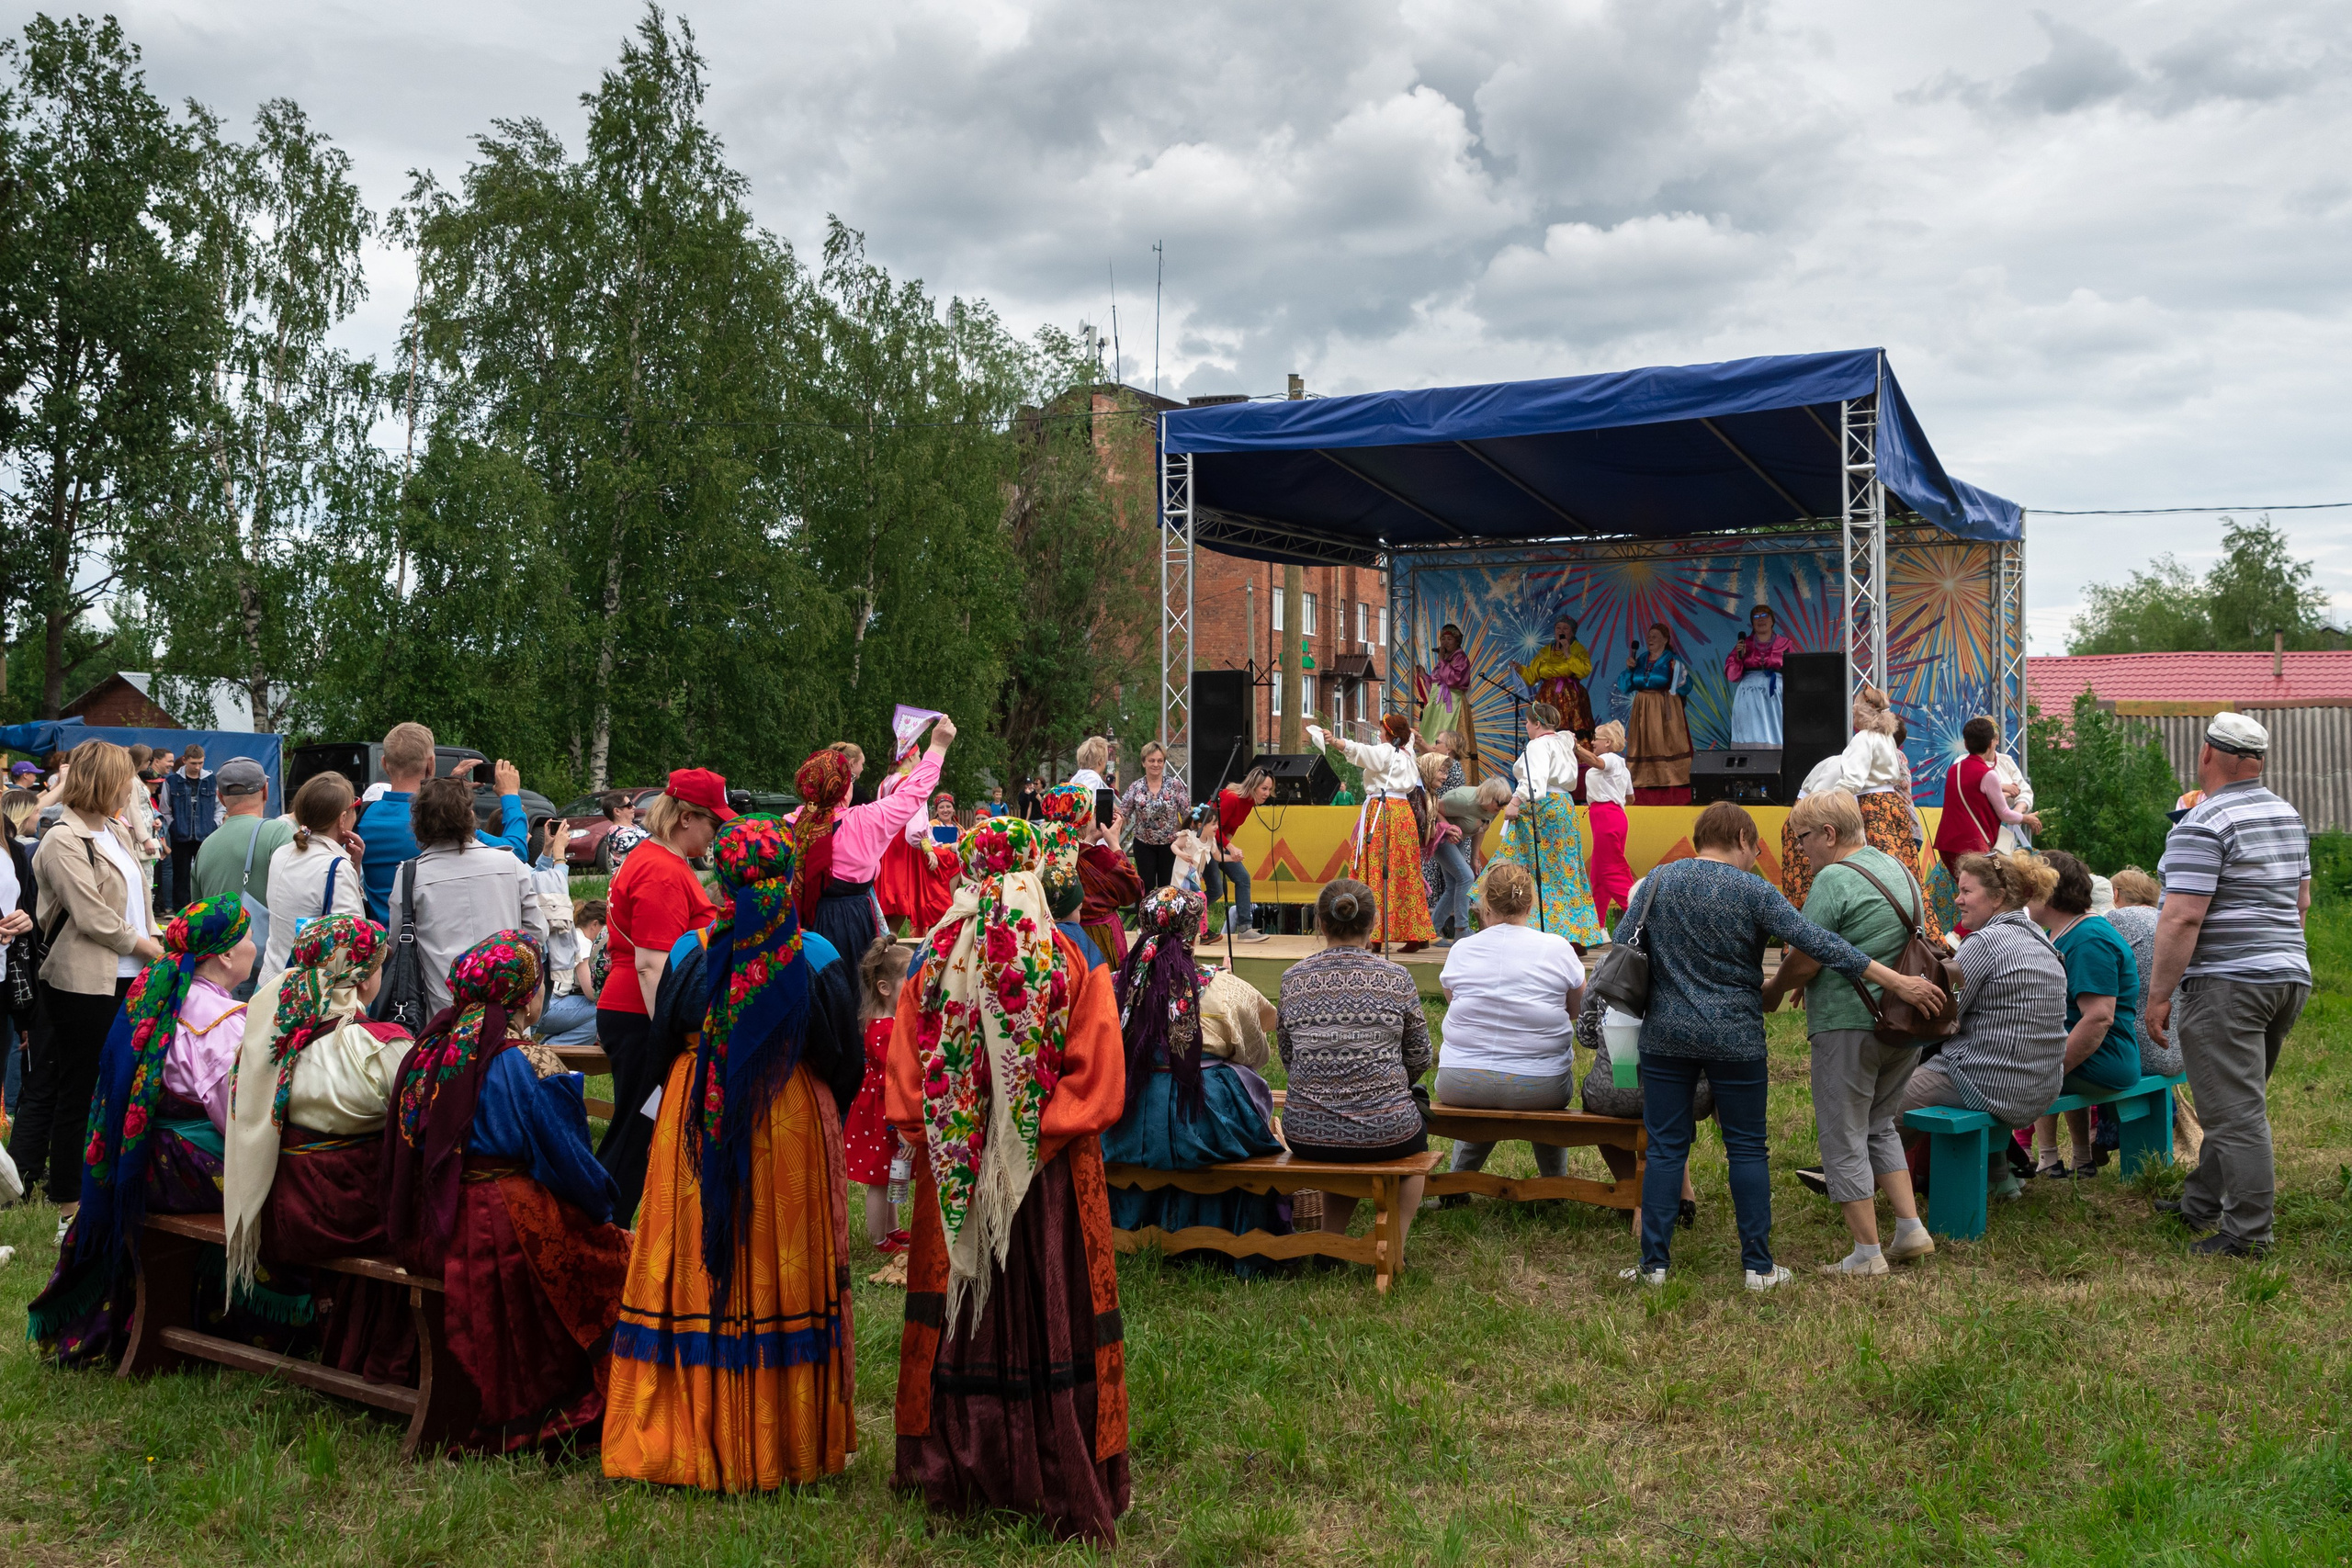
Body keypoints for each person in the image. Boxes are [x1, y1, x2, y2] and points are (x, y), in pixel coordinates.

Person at [603, 815, 865, 1490]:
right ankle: (783, 1438)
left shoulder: (694, 952)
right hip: (790, 1122)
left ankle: (689, 1426)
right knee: (780, 1261)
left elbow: (661, 1044)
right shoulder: (816, 956)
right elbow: (845, 1060)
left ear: (721, 879)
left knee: (697, 1260)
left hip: (700, 1112)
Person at [887, 817, 1130, 1543]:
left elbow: (906, 1079)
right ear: (1036, 867)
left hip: (956, 1170)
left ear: (966, 870)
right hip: (1050, 1175)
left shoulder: (930, 956)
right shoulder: (1069, 954)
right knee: (1051, 1300)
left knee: (963, 1304)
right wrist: (1031, 1139)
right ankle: (1054, 1456)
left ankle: (954, 1460)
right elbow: (1097, 1073)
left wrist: (957, 1143)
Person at [1618, 802, 1939, 1290]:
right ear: (1745, 841)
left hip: (1666, 1035)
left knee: (1665, 1147)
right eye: (1758, 848)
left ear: (1700, 837)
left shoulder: (1657, 884)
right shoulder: (1753, 890)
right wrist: (1893, 980)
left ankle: (1653, 1267)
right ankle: (1758, 1268)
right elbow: (1821, 945)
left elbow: (1622, 945)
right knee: (1746, 1149)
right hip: (1736, 1036)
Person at [383, 931, 632, 1451]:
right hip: (504, 1218)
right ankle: (581, 1396)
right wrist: (603, 1210)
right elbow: (569, 1161)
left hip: (437, 1219)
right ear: (526, 994)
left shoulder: (430, 1051)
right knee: (619, 1259)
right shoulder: (529, 1062)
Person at [29, 894, 266, 1364]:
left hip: (142, 1160)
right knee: (287, 1178)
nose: (255, 945)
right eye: (248, 935)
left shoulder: (157, 993)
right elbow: (237, 1118)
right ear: (224, 954)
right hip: (183, 1168)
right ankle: (259, 1318)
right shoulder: (222, 1024)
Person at [2143, 712, 2310, 1258]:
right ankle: (2201, 1204)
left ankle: (2248, 1235)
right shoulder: (2287, 814)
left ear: (2206, 755)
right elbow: (2301, 904)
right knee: (2231, 1098)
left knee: (2235, 1112)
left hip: (2227, 982)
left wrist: (2160, 994)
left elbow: (2182, 917)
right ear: (2258, 762)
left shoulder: (2203, 821)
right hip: (2286, 976)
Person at [222, 914, 416, 1382]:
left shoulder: (271, 1030)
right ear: (364, 974)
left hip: (278, 1200)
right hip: (346, 1212)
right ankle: (382, 1348)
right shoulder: (381, 1046)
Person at [1761, 790, 1938, 1275]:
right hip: (1901, 1021)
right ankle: (1910, 1230)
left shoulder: (1834, 879)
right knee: (1880, 1124)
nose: (1801, 851)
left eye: (1802, 840)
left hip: (1847, 1023)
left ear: (1829, 834)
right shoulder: (1899, 868)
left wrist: (1778, 986)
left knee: (1843, 1134)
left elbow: (1806, 954)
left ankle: (1867, 1254)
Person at [1102, 886, 1286, 1266]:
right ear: (1195, 932)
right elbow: (1254, 1053)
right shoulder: (1223, 986)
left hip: (1128, 1115)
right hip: (1204, 1119)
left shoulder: (1114, 983)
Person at [17, 742, 163, 1209]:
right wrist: (151, 948)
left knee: (124, 1085)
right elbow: (93, 916)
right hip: (83, 983)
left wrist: (159, 937)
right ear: (106, 780)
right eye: (126, 777)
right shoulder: (63, 838)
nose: (132, 786)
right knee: (80, 1089)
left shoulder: (116, 831)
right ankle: (67, 1201)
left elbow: (139, 902)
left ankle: (108, 1189)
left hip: (130, 975)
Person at [594, 769, 729, 1218]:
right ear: (687, 817)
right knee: (637, 1131)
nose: (714, 835)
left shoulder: (660, 860)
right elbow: (652, 964)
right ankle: (600, 1227)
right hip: (642, 1014)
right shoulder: (661, 870)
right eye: (712, 824)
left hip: (634, 1011)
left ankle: (603, 1225)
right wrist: (666, 1037)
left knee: (639, 1127)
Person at [1898, 850, 2068, 1204]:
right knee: (1988, 1058)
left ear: (1997, 897)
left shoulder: (1984, 943)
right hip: (2039, 1086)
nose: (1957, 899)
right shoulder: (2044, 943)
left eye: (1966, 891)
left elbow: (1941, 1016)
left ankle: (1851, 1180)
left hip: (1991, 1083)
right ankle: (1999, 1178)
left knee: (1888, 1105)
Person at [1276, 878, 1432, 1241]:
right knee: (1416, 1138)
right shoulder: (1396, 978)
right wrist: (1385, 1086)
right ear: (1374, 923)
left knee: (1344, 1128)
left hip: (1306, 1131)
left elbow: (1288, 1055)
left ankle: (1331, 1241)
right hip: (1388, 1130)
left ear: (1319, 922)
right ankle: (1394, 1244)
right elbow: (1421, 1053)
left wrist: (1327, 1081)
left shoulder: (1292, 979)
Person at [1434, 863, 1584, 1182]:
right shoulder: (1557, 947)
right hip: (1542, 1087)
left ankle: (1456, 1184)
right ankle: (1554, 1184)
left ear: (1485, 905)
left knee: (1488, 1088)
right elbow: (1576, 1010)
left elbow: (1455, 1002)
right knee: (1528, 1091)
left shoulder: (1462, 949)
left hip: (1460, 1081)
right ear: (1531, 905)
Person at [790, 718, 956, 965]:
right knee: (856, 987)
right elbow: (913, 794)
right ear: (844, 787)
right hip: (850, 921)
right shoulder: (862, 821)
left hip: (800, 921)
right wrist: (938, 747)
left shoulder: (790, 823)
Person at [387, 776, 548, 1025]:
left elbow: (399, 944)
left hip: (443, 1008)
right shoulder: (510, 864)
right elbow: (537, 932)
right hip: (505, 1005)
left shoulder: (410, 875)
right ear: (470, 814)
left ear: (419, 820)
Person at [2023, 848, 2143, 1179]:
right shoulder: (2064, 932)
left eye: (2028, 886)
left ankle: (1996, 1173)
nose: (2022, 894)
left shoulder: (2088, 938)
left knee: (1993, 1076)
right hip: (2095, 1056)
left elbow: (2098, 1017)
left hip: (2107, 1061)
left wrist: (2049, 1071)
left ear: (2047, 892)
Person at [356, 724, 529, 923]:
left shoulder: (363, 817)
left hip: (386, 945)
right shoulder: (441, 820)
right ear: (431, 764)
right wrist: (511, 797)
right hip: (438, 942)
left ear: (384, 764)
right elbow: (516, 852)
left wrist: (451, 786)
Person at [1308, 715, 1437, 949]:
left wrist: (1334, 741)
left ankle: (1376, 937)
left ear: (1390, 734)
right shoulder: (1408, 754)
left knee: (1378, 868)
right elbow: (1403, 742)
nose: (1378, 735)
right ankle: (1416, 934)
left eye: (1381, 731)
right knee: (1405, 870)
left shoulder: (1388, 752)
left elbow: (1362, 751)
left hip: (1384, 812)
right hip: (1403, 815)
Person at [1490, 703, 1601, 943]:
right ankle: (1575, 933)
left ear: (1538, 724)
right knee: (1566, 867)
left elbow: (1534, 781)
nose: (1527, 727)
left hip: (1543, 809)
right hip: (1564, 806)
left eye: (1529, 723)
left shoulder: (1538, 745)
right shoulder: (1562, 742)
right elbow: (1566, 737)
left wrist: (1515, 801)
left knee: (1538, 868)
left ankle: (1543, 931)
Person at [258, 772, 367, 993]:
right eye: (356, 805)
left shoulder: (281, 853)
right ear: (342, 819)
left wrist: (352, 866)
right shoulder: (335, 867)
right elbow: (352, 941)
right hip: (309, 996)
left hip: (270, 981)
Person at [192, 759, 295, 991]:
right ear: (265, 791)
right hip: (265, 969)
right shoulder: (278, 832)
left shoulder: (205, 846)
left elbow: (197, 909)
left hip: (216, 973)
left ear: (220, 796)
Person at [847, 935, 916, 1253]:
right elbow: (897, 1072)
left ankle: (893, 1228)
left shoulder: (892, 1022)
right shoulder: (886, 1028)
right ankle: (878, 1237)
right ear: (884, 988)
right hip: (882, 1109)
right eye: (909, 981)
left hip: (886, 1104)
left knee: (892, 1170)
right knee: (879, 1176)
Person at [1933, 716, 2042, 890]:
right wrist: (2027, 818)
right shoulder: (1987, 774)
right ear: (1992, 743)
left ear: (1966, 744)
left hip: (1948, 846)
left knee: (1968, 891)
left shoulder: (1956, 768)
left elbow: (1975, 796)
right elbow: (2005, 813)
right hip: (1975, 847)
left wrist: (2004, 792)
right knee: (1997, 886)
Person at [1046, 784, 1141, 968]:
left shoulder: (1047, 851)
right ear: (1085, 817)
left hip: (1057, 937)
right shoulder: (1099, 856)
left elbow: (1075, 853)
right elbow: (1134, 888)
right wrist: (1114, 844)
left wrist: (1090, 838)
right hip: (1099, 938)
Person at [2103, 868, 2180, 1077]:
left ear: (2115, 894)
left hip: (2139, 1050)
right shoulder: (2166, 919)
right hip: (2179, 1049)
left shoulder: (2117, 919)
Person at [1618, 623, 1694, 804]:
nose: (1650, 639)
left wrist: (1678, 672)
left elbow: (1686, 687)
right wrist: (1629, 669)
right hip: (1643, 708)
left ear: (1665, 640)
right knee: (1645, 745)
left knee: (1665, 744)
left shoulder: (1672, 660)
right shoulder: (1641, 659)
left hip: (1664, 707)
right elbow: (1626, 687)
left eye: (1655, 636)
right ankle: (1641, 791)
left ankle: (1672, 791)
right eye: (1649, 636)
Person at [1207, 766, 1272, 943]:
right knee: (1215, 890)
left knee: (1242, 877)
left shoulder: (1249, 803)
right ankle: (1185, 916)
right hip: (1202, 842)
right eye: (1264, 789)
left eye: (1269, 789)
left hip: (1218, 842)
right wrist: (1231, 848)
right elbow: (1212, 828)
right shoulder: (1232, 799)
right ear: (1253, 786)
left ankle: (1245, 928)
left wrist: (1226, 848)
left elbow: (1232, 826)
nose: (1267, 793)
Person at [1578, 722, 1634, 927]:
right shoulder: (1623, 766)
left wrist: (1575, 747)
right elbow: (1631, 798)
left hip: (1606, 816)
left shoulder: (1609, 759)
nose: (1592, 742)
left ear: (1608, 743)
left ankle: (1640, 919)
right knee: (1599, 874)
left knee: (1612, 871)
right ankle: (1597, 926)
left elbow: (1595, 762)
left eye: (1596, 738)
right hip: (1616, 816)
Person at [1118, 740, 1190, 892]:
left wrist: (1188, 839)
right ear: (1144, 762)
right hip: (1144, 844)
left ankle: (1166, 916)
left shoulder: (1175, 785)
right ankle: (1144, 915)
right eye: (1151, 760)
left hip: (1171, 845)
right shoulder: (1136, 787)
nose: (1156, 764)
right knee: (1146, 886)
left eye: (1159, 761)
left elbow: (1187, 814)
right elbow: (1123, 813)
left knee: (1168, 888)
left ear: (1164, 763)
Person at [1418, 751, 1474, 943]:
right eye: (1441, 771)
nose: (1444, 776)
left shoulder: (1429, 795)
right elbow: (1422, 826)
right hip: (1410, 852)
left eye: (1446, 772)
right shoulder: (1417, 795)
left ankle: (1432, 931)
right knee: (1465, 877)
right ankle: (1461, 929)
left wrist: (1445, 828)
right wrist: (1445, 828)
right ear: (1429, 769)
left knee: (1454, 884)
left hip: (1436, 842)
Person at [1723, 605, 1795, 748]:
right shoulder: (1744, 645)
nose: (1760, 620)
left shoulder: (1785, 644)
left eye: (1764, 616)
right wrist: (1739, 658)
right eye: (1756, 617)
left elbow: (1794, 671)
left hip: (1776, 695)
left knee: (1776, 730)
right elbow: (1732, 675)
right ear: (1752, 623)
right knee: (1749, 731)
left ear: (1772, 621)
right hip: (1748, 696)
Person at [160, 744, 219, 910]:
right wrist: (174, 825)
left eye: (200, 763)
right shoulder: (172, 781)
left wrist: (214, 823)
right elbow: (165, 808)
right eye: (193, 763)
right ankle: (182, 912)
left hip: (206, 835)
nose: (197, 767)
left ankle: (206, 909)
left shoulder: (212, 780)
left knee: (206, 875)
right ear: (185, 760)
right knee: (181, 876)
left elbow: (220, 807)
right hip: (181, 835)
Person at [1419, 623, 1480, 780]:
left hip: (1454, 705)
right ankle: (1431, 773)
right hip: (1439, 707)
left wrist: (1442, 661)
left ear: (1457, 641)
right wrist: (1425, 675)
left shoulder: (1460, 658)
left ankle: (1459, 779)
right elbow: (1436, 683)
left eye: (1449, 639)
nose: (1445, 643)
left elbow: (1454, 680)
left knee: (1453, 740)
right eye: (1443, 639)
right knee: (1434, 737)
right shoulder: (1446, 659)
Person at [1516, 615, 1595, 733]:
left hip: (1570, 698)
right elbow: (1532, 677)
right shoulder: (1545, 651)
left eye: (1565, 628)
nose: (1561, 631)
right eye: (1558, 628)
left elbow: (1584, 671)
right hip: (1546, 697)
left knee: (1571, 732)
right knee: (1546, 729)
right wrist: (1520, 669)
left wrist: (1568, 653)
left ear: (1572, 633)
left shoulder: (1578, 649)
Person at [603, 790, 650, 868]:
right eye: (629, 805)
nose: (634, 807)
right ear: (617, 811)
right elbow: (646, 856)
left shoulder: (635, 827)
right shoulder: (620, 835)